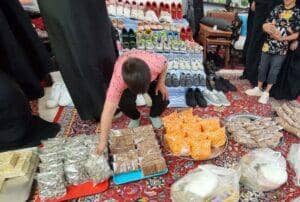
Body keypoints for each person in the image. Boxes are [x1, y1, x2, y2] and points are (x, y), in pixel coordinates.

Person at [97, 50, 169, 154]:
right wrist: (102, 142)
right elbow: (108, 112)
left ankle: (154, 115)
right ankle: (135, 117)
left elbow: (165, 63)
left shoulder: (155, 64)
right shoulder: (118, 81)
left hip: (147, 72)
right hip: (128, 77)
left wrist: (161, 83)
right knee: (124, 103)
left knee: (163, 97)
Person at [245, 0, 300, 104]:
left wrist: (283, 38)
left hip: (281, 48)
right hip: (268, 45)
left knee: (274, 70)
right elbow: (265, 24)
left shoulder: (297, 12)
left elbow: (296, 33)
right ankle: (259, 88)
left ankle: (266, 92)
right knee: (262, 67)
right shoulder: (277, 8)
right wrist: (267, 28)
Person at [242, 0, 282, 85]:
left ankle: (265, 80)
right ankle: (252, 74)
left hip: (278, 6)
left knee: (271, 40)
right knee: (256, 41)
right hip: (261, 7)